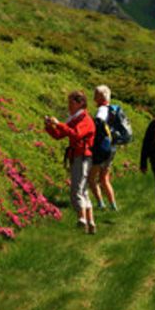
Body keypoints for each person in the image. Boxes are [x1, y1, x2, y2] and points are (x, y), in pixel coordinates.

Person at [44, 90, 97, 234]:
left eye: (71, 103)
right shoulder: (74, 119)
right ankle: (90, 222)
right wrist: (50, 126)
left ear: (80, 103)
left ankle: (82, 220)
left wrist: (59, 124)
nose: (68, 106)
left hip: (83, 156)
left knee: (77, 189)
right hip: (78, 156)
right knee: (83, 191)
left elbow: (76, 135)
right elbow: (59, 135)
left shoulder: (85, 119)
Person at [89, 85, 119, 212]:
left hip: (101, 148)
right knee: (104, 178)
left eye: (95, 94)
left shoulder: (101, 110)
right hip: (112, 147)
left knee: (91, 178)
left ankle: (101, 204)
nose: (93, 97)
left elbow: (99, 123)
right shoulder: (113, 110)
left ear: (101, 97)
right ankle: (113, 205)